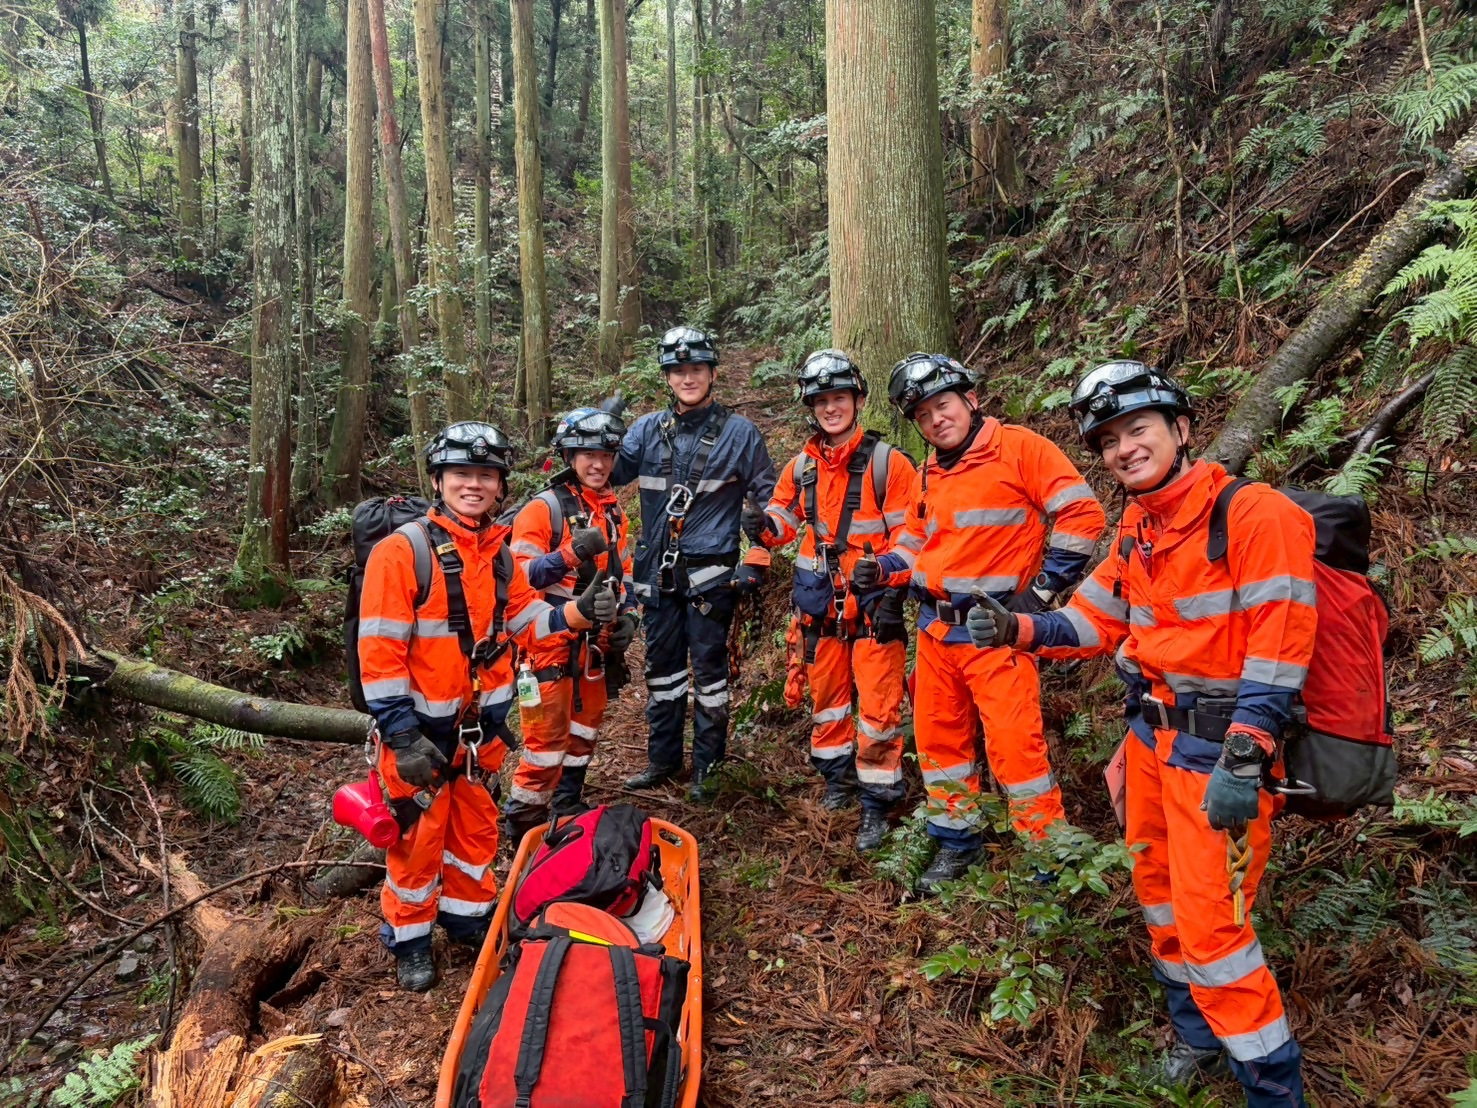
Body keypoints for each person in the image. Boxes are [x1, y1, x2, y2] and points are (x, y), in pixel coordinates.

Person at [965, 361, 1312, 1105]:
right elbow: (1095, 618)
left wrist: (1247, 753)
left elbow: (1281, 647)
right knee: (1158, 898)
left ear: (1181, 429)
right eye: (1109, 440)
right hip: (1151, 744)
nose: (1124, 449)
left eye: (1138, 430)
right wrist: (1017, 626)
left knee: (1214, 928)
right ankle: (1195, 1039)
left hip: (1220, 753)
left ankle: (1273, 1091)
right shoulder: (1139, 527)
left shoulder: (1253, 515)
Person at [357, 421, 617, 991]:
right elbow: (378, 653)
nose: (473, 485)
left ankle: (468, 920)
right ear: (438, 480)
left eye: (485, 476)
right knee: (418, 842)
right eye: (461, 475)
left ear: (500, 486)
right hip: (421, 733)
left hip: (482, 732)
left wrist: (577, 613)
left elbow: (527, 621)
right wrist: (401, 736)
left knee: (475, 836)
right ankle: (411, 940)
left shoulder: (499, 557)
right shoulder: (401, 554)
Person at [862, 353, 1106, 893]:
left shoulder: (1019, 449)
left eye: (941, 406)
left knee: (1017, 749)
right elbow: (919, 541)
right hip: (934, 630)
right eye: (922, 415)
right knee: (940, 742)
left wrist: (1038, 593)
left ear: (969, 400)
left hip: (996, 633)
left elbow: (1083, 513)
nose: (934, 421)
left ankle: (1049, 859)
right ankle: (956, 842)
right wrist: (883, 567)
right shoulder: (928, 471)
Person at [751, 350, 920, 852]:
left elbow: (912, 536)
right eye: (821, 401)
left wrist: (889, 574)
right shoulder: (802, 466)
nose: (831, 409)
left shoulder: (889, 464)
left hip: (873, 607)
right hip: (819, 609)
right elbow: (783, 522)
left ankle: (877, 800)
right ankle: (836, 780)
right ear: (812, 407)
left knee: (878, 708)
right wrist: (761, 525)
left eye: (839, 398)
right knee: (828, 704)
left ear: (858, 400)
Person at [611, 326, 777, 801]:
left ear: (712, 373)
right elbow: (607, 474)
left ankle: (708, 767)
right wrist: (601, 434)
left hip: (712, 578)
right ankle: (662, 760)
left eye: (696, 369)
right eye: (679, 370)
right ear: (667, 377)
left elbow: (772, 503)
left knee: (709, 673)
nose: (688, 377)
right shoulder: (645, 431)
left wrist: (758, 559)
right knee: (661, 672)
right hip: (656, 578)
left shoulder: (740, 435)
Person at [502, 407, 638, 846]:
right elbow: (517, 579)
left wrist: (629, 616)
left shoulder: (613, 510)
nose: (596, 464)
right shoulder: (544, 510)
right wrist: (570, 554)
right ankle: (524, 825)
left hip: (594, 647)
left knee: (584, 731)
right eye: (586, 454)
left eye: (605, 454)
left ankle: (567, 803)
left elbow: (625, 571)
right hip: (548, 646)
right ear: (568, 455)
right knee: (544, 743)